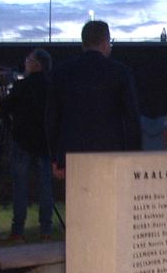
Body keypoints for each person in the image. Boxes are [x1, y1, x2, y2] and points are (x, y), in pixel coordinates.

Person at [46, 20, 142, 178]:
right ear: (105, 42)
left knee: (77, 200)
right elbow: (132, 119)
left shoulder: (61, 73)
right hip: (111, 153)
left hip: (72, 155)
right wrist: (134, 155)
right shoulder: (121, 72)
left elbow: (52, 118)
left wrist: (55, 158)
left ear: (83, 42)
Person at [0, 48, 53, 242]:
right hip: (45, 143)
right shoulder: (51, 86)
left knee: (20, 187)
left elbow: (4, 109)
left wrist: (6, 112)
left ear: (36, 64)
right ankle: (46, 229)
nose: (26, 62)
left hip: (22, 141)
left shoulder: (23, 86)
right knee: (46, 187)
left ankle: (17, 231)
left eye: (28, 59)